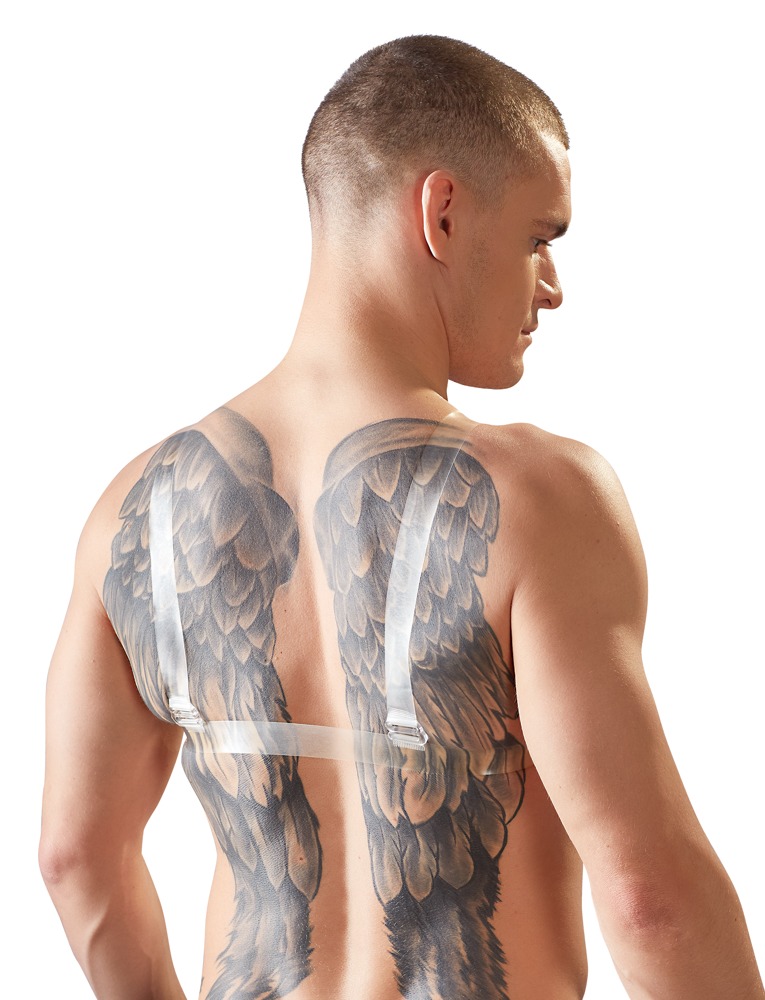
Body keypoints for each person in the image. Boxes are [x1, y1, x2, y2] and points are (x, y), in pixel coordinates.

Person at [39, 34, 763, 1000]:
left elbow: (75, 858)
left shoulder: (135, 507)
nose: (552, 286)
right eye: (538, 237)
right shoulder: (542, 497)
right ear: (443, 212)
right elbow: (649, 899)